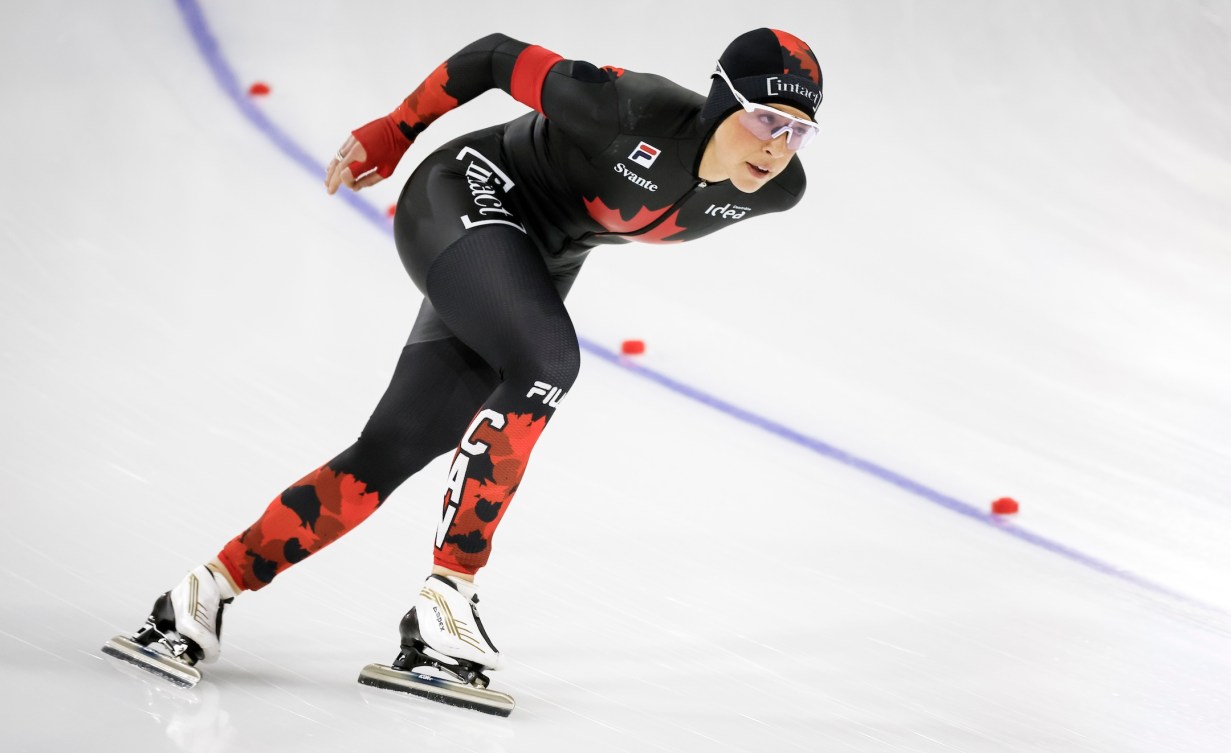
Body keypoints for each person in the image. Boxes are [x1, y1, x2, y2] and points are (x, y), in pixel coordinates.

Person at [105, 27, 823, 703]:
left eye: (797, 131)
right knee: (546, 360)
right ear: (722, 100)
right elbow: (492, 55)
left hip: (535, 256)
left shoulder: (778, 192)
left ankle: (199, 594)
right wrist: (393, 130)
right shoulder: (625, 108)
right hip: (464, 192)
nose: (776, 147)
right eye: (764, 119)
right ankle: (449, 594)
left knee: (390, 450)